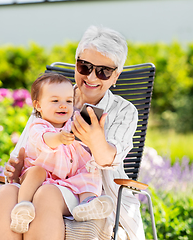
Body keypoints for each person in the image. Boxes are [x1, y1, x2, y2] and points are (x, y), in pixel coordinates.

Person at [0, 25, 145, 240]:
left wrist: (95, 139)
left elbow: (109, 159)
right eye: (85, 66)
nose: (91, 77)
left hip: (90, 194)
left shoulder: (125, 111)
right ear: (76, 65)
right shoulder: (52, 98)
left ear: (115, 76)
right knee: (6, 193)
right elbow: (24, 150)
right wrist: (15, 168)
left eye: (103, 71)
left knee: (47, 194)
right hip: (36, 182)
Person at [8, 72, 114, 234]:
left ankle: (87, 204)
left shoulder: (71, 124)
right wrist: (59, 138)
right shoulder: (38, 126)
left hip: (65, 181)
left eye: (69, 101)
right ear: (38, 105)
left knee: (89, 172)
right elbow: (45, 140)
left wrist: (91, 133)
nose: (63, 105)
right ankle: (22, 206)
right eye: (55, 101)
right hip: (39, 179)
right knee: (37, 171)